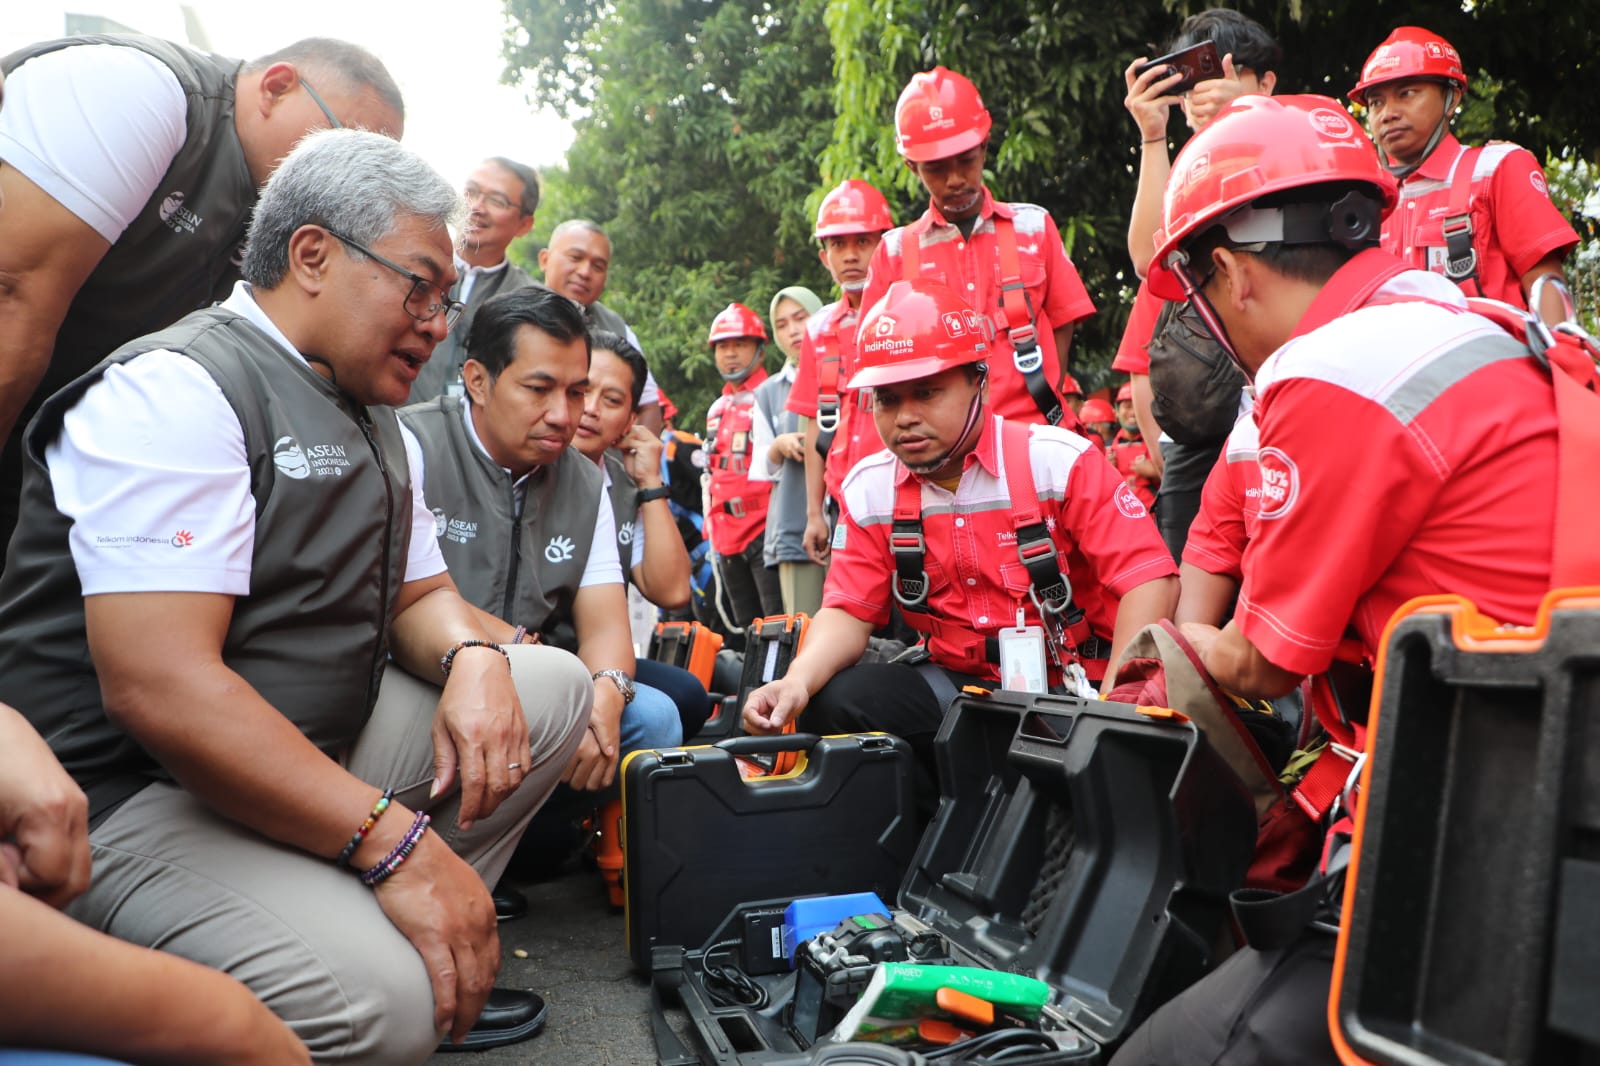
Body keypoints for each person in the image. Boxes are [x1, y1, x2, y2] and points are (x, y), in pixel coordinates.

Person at [0, 128, 593, 1065]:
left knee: (548, 686)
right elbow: (161, 689)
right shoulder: (179, 389)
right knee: (379, 1007)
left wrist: (476, 656)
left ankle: (427, 935)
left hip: (305, 746)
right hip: (130, 792)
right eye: (420, 288)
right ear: (313, 255)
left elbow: (421, 596)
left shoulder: (376, 418)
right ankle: (369, 956)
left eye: (445, 299)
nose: (439, 324)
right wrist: (397, 844)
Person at [1117, 92, 1570, 1066]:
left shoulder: (1327, 371)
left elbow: (1263, 663)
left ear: (1232, 273)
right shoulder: (1469, 321)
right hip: (1538, 758)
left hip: (1477, 817)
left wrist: (1177, 649)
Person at [742, 280, 1177, 806]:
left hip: (1077, 686)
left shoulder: (1059, 462)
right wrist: (796, 681)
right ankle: (939, 827)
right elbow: (848, 612)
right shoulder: (868, 490)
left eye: (927, 392)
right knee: (832, 700)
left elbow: (1150, 582)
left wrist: (1112, 712)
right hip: (957, 690)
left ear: (980, 384)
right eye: (887, 399)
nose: (905, 416)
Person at [0, 34, 404, 561]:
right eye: (339, 146)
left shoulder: (292, 222)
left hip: (59, 453)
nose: (344, 179)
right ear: (277, 87)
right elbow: (12, 295)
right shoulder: (144, 91)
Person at [1117, 8, 1282, 561]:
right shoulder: (1183, 168)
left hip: (1284, 401)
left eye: (1221, 76)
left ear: (1266, 83)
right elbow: (1149, 259)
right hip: (1202, 422)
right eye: (1189, 84)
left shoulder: (1297, 136)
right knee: (1191, 572)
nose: (1201, 96)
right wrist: (1153, 136)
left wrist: (1246, 116)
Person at [862, 68, 1096, 430]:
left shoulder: (1033, 228)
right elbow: (879, 366)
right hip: (944, 445)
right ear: (912, 167)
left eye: (966, 160)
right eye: (936, 168)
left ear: (984, 147)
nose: (955, 179)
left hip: (1033, 431)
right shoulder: (893, 254)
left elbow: (1062, 326)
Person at [1349, 26, 1579, 323]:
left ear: (1452, 98)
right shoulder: (1368, 199)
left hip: (1493, 350)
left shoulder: (1497, 168)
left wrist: (1560, 347)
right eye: (1376, 102)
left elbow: (1545, 284)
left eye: (1406, 94)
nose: (1388, 113)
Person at [571, 330, 711, 742]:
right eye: (582, 390)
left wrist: (650, 483)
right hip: (531, 649)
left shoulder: (621, 486)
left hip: (598, 654)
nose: (591, 409)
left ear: (630, 420)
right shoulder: (531, 463)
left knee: (688, 696)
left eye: (612, 400)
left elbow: (672, 592)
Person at [786, 180, 895, 566]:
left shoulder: (908, 311)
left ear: (884, 245)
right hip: (846, 503)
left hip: (909, 494)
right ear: (824, 256)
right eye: (838, 244)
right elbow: (817, 424)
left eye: (862, 241)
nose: (850, 255)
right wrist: (814, 513)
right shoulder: (818, 329)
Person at [406, 156, 539, 403]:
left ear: (524, 224)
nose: (477, 207)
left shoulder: (531, 300)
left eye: (497, 200)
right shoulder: (409, 266)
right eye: (471, 192)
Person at [537, 219, 667, 433]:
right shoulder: (511, 313)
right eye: (575, 258)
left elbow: (648, 405)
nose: (585, 272)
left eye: (598, 266)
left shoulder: (617, 329)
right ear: (544, 259)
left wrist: (634, 452)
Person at [704, 302, 784, 626]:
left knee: (779, 625)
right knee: (747, 629)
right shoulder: (716, 408)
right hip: (725, 536)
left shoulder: (774, 395)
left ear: (760, 350)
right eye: (723, 346)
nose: (731, 354)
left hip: (765, 531)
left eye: (740, 344)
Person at [752, 285, 826, 614]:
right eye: (782, 325)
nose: (793, 330)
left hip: (850, 521)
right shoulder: (769, 392)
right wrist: (778, 447)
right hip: (794, 523)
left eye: (801, 318)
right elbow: (760, 466)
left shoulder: (848, 370)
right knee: (803, 624)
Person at [1107, 382, 1160, 511]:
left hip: (1153, 514)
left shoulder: (1158, 443)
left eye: (1137, 406)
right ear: (1117, 411)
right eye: (1127, 406)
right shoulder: (1109, 449)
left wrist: (1155, 471)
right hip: (1122, 515)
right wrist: (1107, 470)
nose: (1133, 412)